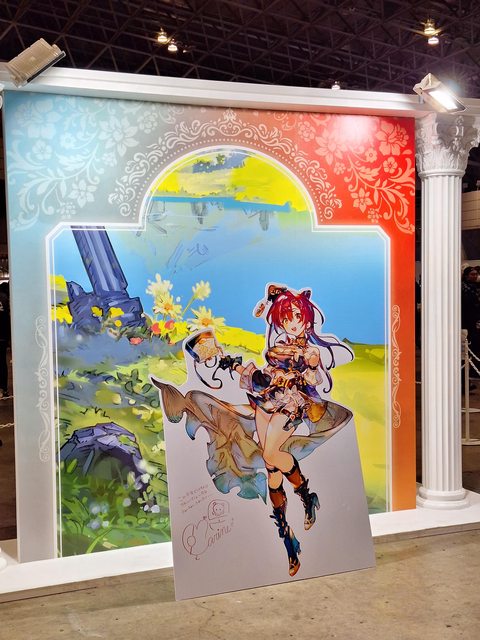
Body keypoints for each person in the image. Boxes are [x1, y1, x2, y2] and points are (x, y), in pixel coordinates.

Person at [154, 284, 353, 577]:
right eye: (286, 318)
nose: (292, 322)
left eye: (297, 316)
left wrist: (311, 367)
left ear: (306, 318)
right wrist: (228, 363)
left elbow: (313, 380)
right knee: (271, 469)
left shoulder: (311, 350)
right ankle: (288, 539)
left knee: (271, 454)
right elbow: (264, 375)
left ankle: (306, 495)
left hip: (291, 405)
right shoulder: (277, 343)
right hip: (265, 400)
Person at [461, 267, 480, 378]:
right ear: (466, 275)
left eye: (476, 274)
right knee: (468, 347)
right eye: (472, 274)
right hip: (466, 322)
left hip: (475, 321)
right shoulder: (463, 288)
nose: (475, 276)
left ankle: (473, 370)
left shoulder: (475, 287)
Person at [0, 282, 11, 397]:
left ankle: (3, 388)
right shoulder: (5, 298)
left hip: (2, 334)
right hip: (3, 335)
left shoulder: (3, 298)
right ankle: (4, 389)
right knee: (2, 361)